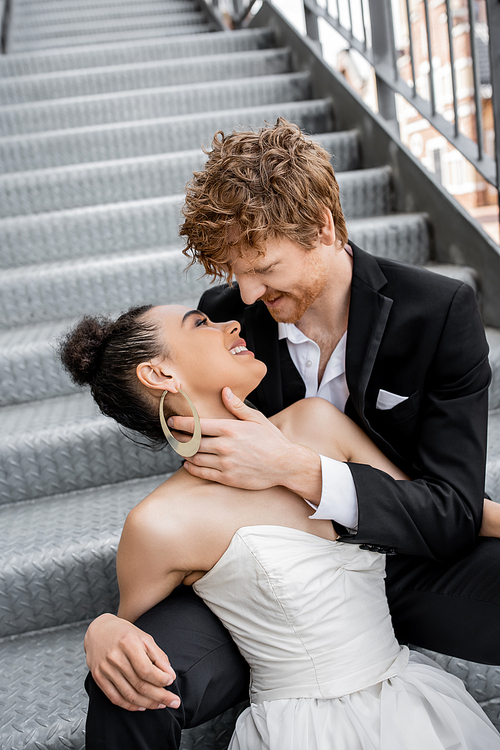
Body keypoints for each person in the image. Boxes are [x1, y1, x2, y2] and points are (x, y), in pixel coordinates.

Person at [78, 119, 500, 747]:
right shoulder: (230, 316)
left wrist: (295, 468)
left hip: (402, 557)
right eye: (233, 270)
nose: (245, 293)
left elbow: (450, 512)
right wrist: (101, 628)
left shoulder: (437, 313)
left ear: (325, 228)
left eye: (264, 267)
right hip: (264, 588)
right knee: (129, 681)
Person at [60, 303, 500, 749]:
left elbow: (430, 509)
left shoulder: (315, 422)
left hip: (405, 697)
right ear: (160, 375)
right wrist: (101, 629)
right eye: (199, 324)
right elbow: (138, 635)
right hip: (302, 727)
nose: (230, 322)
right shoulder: (160, 523)